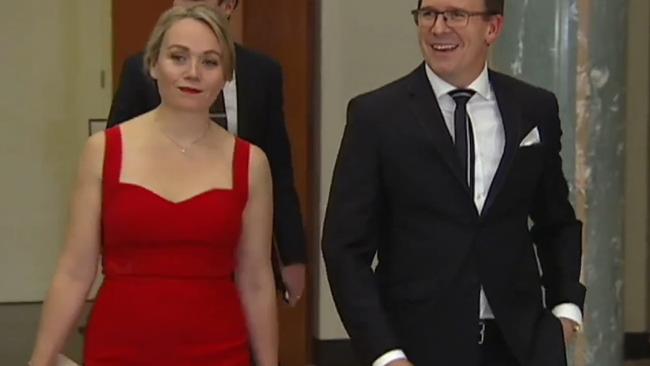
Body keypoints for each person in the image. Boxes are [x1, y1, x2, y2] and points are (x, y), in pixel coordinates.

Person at [321, 0, 585, 365]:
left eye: (456, 15)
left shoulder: (534, 108)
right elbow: (344, 248)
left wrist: (567, 308)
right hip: (416, 347)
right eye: (428, 14)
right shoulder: (376, 117)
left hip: (522, 345)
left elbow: (556, 221)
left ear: (492, 28)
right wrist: (384, 353)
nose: (438, 27)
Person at [30, 5, 277, 365]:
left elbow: (255, 279)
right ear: (153, 64)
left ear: (225, 75)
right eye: (179, 57)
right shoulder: (105, 150)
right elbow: (74, 270)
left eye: (209, 62)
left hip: (218, 348)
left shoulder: (250, 163)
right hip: (119, 347)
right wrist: (41, 358)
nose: (193, 73)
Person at [108, 0, 306, 306]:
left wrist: (292, 254)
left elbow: (279, 168)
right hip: (163, 241)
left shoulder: (262, 73)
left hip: (241, 239)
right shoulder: (141, 70)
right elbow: (116, 162)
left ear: (227, 5)